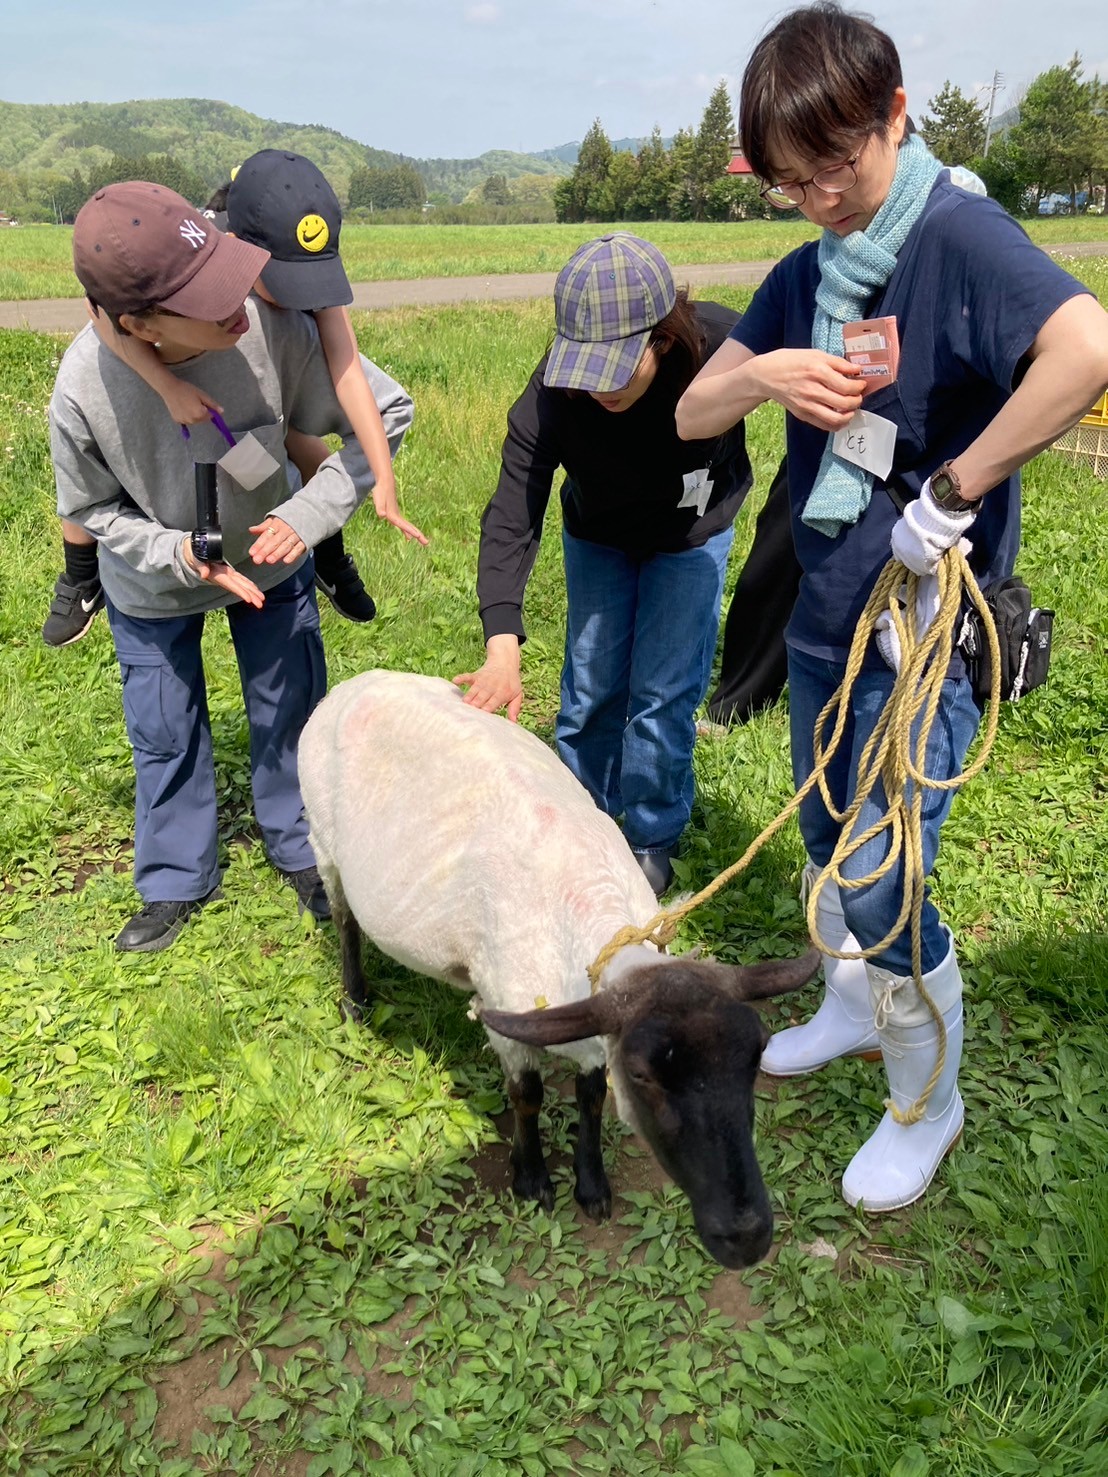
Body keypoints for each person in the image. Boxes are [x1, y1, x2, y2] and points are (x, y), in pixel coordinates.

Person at [676, 2, 1108, 1210]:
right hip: (826, 616)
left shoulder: (959, 239)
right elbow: (688, 415)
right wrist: (760, 370)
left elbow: (1085, 348)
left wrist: (955, 492)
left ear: (896, 116)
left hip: (920, 630)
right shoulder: (807, 272)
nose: (820, 197)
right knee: (824, 837)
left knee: (880, 874)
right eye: (790, 180)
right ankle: (856, 1007)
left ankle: (928, 1097)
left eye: (838, 164)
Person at [50, 181, 414, 951]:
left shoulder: (268, 327)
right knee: (163, 728)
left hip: (272, 564)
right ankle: (177, 875)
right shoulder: (83, 387)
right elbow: (90, 510)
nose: (233, 302)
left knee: (289, 708)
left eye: (223, 270)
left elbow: (384, 410)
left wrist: (308, 514)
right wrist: (175, 553)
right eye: (202, 296)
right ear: (136, 325)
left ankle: (300, 844)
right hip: (153, 585)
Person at [453, 233, 753, 897]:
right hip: (600, 534)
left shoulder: (724, 346)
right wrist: (502, 643)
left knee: (662, 693)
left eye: (617, 367)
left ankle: (651, 835)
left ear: (663, 338)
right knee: (590, 687)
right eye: (585, 368)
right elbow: (512, 507)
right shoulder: (555, 391)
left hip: (692, 534)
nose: (598, 389)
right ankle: (579, 819)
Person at [41, 151, 424, 646]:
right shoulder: (190, 252)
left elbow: (347, 364)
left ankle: (326, 554)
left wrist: (371, 480)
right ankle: (79, 575)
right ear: (233, 242)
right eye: (278, 279)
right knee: (283, 443)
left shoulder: (294, 274)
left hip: (269, 409)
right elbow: (107, 322)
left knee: (295, 443)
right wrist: (167, 386)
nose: (283, 300)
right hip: (157, 569)